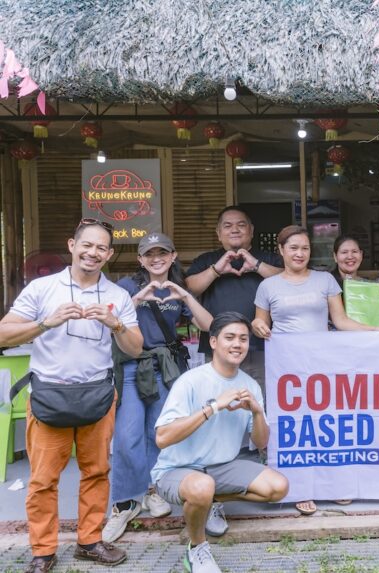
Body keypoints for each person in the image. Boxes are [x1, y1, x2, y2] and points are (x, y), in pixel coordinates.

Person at [0, 219, 143, 573]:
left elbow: (135, 348)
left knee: (97, 472)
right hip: (49, 395)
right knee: (43, 480)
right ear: (72, 245)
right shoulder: (42, 288)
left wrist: (115, 324)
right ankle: (43, 550)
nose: (93, 253)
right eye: (87, 245)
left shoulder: (117, 296)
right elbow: (4, 334)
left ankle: (90, 542)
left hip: (98, 395)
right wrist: (45, 323)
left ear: (109, 254)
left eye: (101, 248)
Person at [252, 225, 379, 515]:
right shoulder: (268, 286)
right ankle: (298, 487)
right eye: (293, 248)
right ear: (281, 250)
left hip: (321, 367)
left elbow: (340, 321)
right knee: (294, 429)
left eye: (305, 248)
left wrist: (372, 330)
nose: (299, 253)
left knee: (326, 426)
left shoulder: (325, 280)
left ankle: (332, 485)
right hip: (287, 369)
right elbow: (259, 321)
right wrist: (257, 325)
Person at [151, 312, 288, 573]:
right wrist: (214, 407)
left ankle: (207, 502)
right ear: (213, 342)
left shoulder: (250, 385)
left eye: (243, 339)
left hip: (221, 467)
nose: (237, 344)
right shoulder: (190, 381)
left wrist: (257, 412)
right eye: (230, 337)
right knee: (202, 486)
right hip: (177, 469)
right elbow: (162, 438)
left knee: (277, 487)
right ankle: (197, 548)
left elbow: (261, 442)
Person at [104, 233, 214, 543]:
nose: (156, 259)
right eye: (149, 254)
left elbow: (209, 325)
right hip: (131, 366)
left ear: (173, 256)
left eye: (162, 253)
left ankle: (152, 489)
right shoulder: (126, 286)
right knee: (127, 436)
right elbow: (108, 321)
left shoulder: (178, 288)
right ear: (140, 259)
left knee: (159, 432)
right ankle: (124, 503)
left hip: (164, 367)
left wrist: (185, 295)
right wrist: (140, 297)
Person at [185, 206, 283, 389]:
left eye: (241, 225)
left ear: (251, 230)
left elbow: (287, 282)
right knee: (217, 400)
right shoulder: (206, 260)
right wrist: (215, 270)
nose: (235, 229)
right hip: (216, 347)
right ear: (218, 233)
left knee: (258, 400)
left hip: (261, 347)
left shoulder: (268, 258)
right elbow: (189, 288)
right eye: (228, 226)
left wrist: (257, 266)